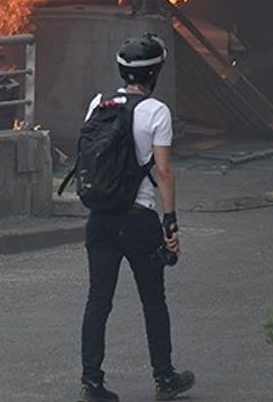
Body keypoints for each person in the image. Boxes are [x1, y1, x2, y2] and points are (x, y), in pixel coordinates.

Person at [78, 34, 196, 402]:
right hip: (138, 218)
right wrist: (171, 221)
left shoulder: (100, 102)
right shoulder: (156, 112)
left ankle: (91, 382)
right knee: (152, 299)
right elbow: (163, 172)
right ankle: (164, 377)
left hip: (99, 218)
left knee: (99, 299)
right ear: (155, 73)